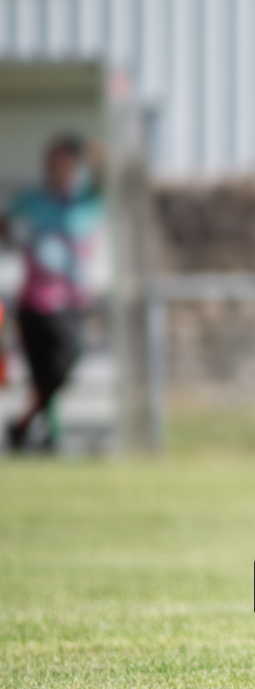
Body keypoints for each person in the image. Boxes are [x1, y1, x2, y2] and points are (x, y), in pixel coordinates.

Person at [0, 135, 104, 452]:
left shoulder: (85, 201)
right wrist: (13, 242)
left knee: (63, 367)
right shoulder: (33, 200)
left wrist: (99, 156)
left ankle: (22, 424)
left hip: (70, 300)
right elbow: (6, 221)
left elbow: (105, 182)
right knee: (41, 375)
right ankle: (45, 438)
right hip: (34, 300)